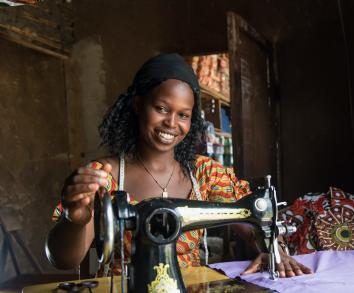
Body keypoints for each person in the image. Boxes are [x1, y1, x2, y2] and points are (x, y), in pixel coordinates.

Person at [45, 53, 312, 278]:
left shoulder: (206, 173)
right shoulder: (103, 177)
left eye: (183, 115)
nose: (172, 123)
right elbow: (63, 260)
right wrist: (75, 221)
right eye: (161, 108)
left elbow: (254, 224)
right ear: (138, 105)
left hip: (192, 287)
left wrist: (274, 250)